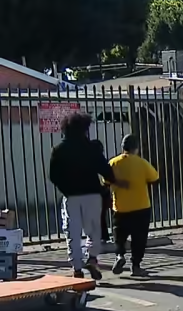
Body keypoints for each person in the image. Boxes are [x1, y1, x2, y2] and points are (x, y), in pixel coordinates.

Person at [49, 113, 123, 280]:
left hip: (72, 197)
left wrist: (66, 189)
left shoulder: (59, 150)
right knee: (94, 232)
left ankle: (77, 269)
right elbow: (106, 171)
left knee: (73, 233)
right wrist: (110, 182)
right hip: (92, 195)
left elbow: (53, 176)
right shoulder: (91, 148)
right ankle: (92, 258)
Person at [107, 134, 159, 277]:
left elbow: (105, 180)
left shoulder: (113, 162)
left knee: (119, 236)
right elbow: (154, 177)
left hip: (120, 207)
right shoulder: (141, 163)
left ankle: (119, 255)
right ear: (136, 148)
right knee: (139, 238)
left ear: (122, 148)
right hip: (141, 206)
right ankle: (136, 266)